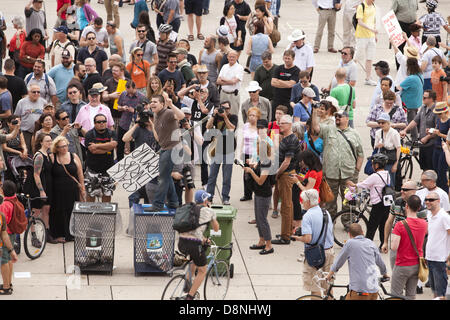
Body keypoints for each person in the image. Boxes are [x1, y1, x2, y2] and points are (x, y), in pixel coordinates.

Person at [311, 107, 364, 219]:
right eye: (336, 116)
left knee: (350, 201)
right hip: (331, 173)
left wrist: (356, 171)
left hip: (349, 174)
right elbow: (315, 128)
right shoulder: (328, 129)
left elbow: (360, 154)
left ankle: (348, 222)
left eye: (340, 116)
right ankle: (330, 222)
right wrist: (314, 112)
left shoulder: (355, 134)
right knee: (330, 201)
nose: (337, 118)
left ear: (347, 118)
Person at [326, 223, 389, 300]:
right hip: (374, 289)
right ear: (362, 232)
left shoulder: (350, 243)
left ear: (349, 234)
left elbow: (338, 262)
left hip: (360, 289)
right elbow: (380, 262)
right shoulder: (371, 243)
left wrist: (329, 275)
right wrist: (385, 274)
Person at [177, 190, 219, 300]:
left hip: (181, 242)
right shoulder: (209, 211)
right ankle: (190, 297)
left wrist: (204, 239)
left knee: (194, 263)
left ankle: (188, 288)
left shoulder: (189, 209)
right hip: (194, 245)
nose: (209, 201)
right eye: (208, 199)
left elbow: (193, 231)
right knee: (202, 271)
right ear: (205, 200)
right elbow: (216, 228)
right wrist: (211, 213)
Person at [292, 189, 334, 296]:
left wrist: (297, 238)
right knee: (328, 286)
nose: (301, 203)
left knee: (314, 286)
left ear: (309, 202)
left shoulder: (307, 216)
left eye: (303, 201)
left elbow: (308, 239)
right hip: (329, 252)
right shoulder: (326, 212)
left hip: (315, 255)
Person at [147, 94, 185, 211]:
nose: (152, 103)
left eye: (155, 102)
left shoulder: (167, 112)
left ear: (162, 104)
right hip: (165, 148)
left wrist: (171, 105)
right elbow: (158, 138)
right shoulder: (156, 115)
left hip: (172, 148)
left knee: (162, 177)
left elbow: (181, 116)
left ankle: (157, 204)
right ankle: (174, 202)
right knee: (166, 176)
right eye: (151, 102)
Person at [347, 153, 392, 249]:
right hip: (386, 203)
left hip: (377, 204)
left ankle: (367, 247)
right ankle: (383, 244)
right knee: (383, 226)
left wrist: (353, 184)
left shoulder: (375, 176)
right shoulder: (387, 174)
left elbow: (364, 184)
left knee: (372, 227)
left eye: (373, 164)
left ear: (377, 165)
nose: (372, 166)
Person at [390, 194, 428, 300]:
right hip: (417, 264)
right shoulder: (424, 223)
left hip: (402, 264)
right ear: (419, 208)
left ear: (406, 206)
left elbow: (394, 247)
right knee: (411, 295)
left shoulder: (400, 225)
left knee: (396, 295)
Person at [271, 114, 301, 245]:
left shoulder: (291, 140)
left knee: (286, 206)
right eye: (279, 123)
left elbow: (286, 162)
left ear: (289, 125)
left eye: (282, 123)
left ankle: (285, 237)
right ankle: (287, 232)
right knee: (288, 205)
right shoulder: (286, 138)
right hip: (285, 175)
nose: (279, 125)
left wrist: (277, 174)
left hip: (286, 175)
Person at [49, 136, 84, 243]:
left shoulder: (74, 156)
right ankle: (59, 234)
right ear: (57, 148)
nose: (64, 148)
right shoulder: (52, 157)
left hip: (72, 189)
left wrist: (82, 188)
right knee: (59, 211)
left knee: (72, 210)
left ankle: (72, 234)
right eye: (61, 147)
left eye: (66, 146)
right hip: (57, 190)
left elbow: (80, 173)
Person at [244, 132, 274, 255]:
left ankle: (269, 244)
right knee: (259, 218)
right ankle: (261, 240)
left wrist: (251, 171)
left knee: (262, 219)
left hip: (263, 193)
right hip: (258, 192)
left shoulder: (266, 162)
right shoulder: (261, 161)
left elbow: (261, 181)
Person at [205, 101, 238, 205]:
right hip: (217, 149)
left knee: (227, 176)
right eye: (223, 108)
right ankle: (209, 197)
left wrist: (225, 117)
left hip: (229, 149)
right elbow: (208, 126)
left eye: (227, 108)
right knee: (212, 175)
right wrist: (213, 115)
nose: (225, 110)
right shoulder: (216, 117)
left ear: (230, 108)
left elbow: (232, 128)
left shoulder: (233, 117)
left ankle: (225, 197)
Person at [381, 180, 418, 270]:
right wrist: (385, 241)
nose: (402, 191)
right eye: (401, 189)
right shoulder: (396, 202)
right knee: (395, 269)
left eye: (405, 190)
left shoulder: (419, 205)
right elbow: (389, 222)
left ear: (414, 191)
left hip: (411, 243)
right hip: (396, 241)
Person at [400, 90, 438, 170]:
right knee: (423, 166)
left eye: (425, 97)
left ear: (431, 99)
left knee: (430, 167)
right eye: (423, 97)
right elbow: (415, 121)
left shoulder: (436, 111)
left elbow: (437, 129)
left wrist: (427, 137)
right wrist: (405, 130)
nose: (423, 99)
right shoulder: (423, 108)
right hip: (422, 142)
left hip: (432, 144)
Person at [84, 114, 117, 203]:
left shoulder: (112, 133)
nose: (102, 123)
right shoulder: (89, 134)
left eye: (104, 121)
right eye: (99, 122)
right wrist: (107, 148)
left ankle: (105, 215)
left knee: (107, 194)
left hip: (108, 170)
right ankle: (90, 214)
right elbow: (93, 150)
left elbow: (113, 145)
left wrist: (97, 146)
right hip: (92, 171)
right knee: (91, 194)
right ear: (94, 123)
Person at [424, 191, 450, 300]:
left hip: (440, 259)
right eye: (426, 200)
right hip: (430, 258)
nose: (428, 202)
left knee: (440, 294)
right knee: (434, 292)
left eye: (431, 200)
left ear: (438, 201)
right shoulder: (429, 215)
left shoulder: (444, 217)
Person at [30, 133, 55, 243]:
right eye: (47, 141)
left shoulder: (48, 154)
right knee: (36, 212)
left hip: (48, 186)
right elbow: (36, 174)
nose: (49, 143)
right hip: (39, 188)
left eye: (50, 141)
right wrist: (41, 191)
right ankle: (33, 234)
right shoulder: (39, 156)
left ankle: (46, 233)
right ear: (41, 142)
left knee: (46, 210)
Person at [116, 81, 146, 161]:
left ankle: (133, 162)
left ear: (134, 88)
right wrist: (122, 108)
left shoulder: (142, 97)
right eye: (127, 90)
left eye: (130, 91)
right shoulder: (123, 94)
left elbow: (145, 111)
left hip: (134, 124)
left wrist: (134, 111)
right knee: (120, 144)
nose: (128, 93)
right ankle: (119, 161)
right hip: (124, 122)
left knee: (133, 145)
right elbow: (118, 106)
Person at [14, 84, 46, 153]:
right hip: (26, 133)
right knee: (26, 153)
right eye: (34, 92)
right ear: (28, 92)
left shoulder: (43, 102)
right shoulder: (21, 102)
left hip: (39, 133)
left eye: (38, 92)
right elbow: (16, 117)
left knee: (39, 152)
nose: (36, 93)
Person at [399, 57, 424, 141]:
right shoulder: (420, 75)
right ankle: (415, 135)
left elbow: (399, 87)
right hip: (417, 101)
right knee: (415, 119)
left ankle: (414, 139)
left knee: (412, 121)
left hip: (410, 103)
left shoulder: (411, 78)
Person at [271, 50, 300, 118]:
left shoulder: (296, 70)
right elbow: (273, 83)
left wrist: (279, 81)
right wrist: (286, 83)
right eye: (285, 58)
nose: (286, 60)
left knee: (286, 119)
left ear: (293, 59)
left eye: (288, 58)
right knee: (275, 119)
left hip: (288, 99)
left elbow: (291, 84)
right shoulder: (278, 68)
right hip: (277, 99)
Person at [354, 0, 378, 85]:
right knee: (357, 57)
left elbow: (374, 21)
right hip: (362, 36)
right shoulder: (361, 6)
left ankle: (368, 78)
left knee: (370, 58)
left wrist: (375, 35)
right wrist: (371, 29)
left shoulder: (373, 6)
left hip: (371, 36)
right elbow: (359, 22)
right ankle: (349, 75)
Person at [240, 107, 261, 202]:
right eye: (250, 115)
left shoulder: (260, 128)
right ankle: (247, 194)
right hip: (246, 152)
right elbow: (243, 140)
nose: (252, 117)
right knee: (246, 175)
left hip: (255, 154)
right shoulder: (245, 126)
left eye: (254, 115)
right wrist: (240, 152)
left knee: (255, 173)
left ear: (257, 117)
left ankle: (257, 193)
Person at [391, 0, 419, 69]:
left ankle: (412, 66)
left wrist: (417, 22)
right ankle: (399, 67)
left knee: (413, 46)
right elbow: (392, 13)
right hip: (401, 25)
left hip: (412, 24)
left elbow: (415, 12)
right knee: (400, 47)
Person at [216, 50, 244, 116]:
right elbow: (218, 81)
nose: (231, 58)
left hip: (233, 95)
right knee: (221, 114)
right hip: (223, 94)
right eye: (230, 56)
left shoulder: (239, 68)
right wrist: (230, 81)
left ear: (237, 57)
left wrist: (223, 79)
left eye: (233, 57)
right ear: (227, 57)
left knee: (233, 115)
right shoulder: (224, 67)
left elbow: (234, 81)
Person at [0, 202, 19, 295]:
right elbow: (4, 234)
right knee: (6, 260)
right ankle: (7, 285)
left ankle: (6, 286)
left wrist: (11, 251)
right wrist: (12, 251)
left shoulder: (2, 215)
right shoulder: (1, 216)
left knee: (4, 261)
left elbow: (4, 234)